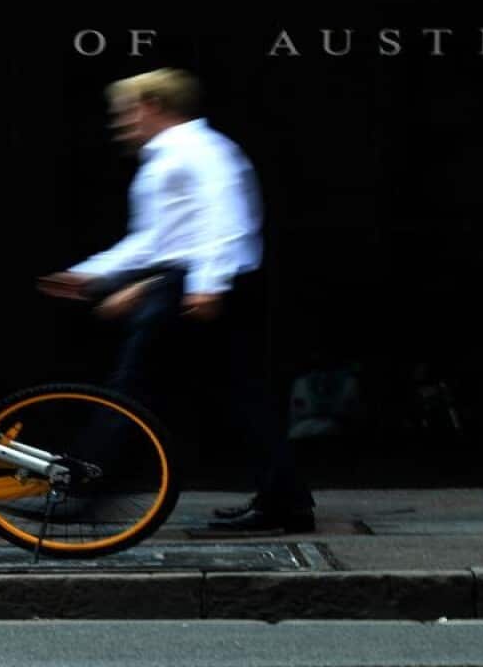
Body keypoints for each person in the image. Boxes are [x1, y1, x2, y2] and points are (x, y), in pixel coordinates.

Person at [37, 67, 314, 534]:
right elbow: (154, 240)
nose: (120, 123)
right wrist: (93, 274)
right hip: (192, 282)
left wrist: (207, 283)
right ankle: (284, 500)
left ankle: (84, 490)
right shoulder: (174, 155)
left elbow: (226, 219)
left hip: (197, 283)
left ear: (153, 106)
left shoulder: (197, 151)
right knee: (238, 393)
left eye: (125, 111)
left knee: (133, 387)